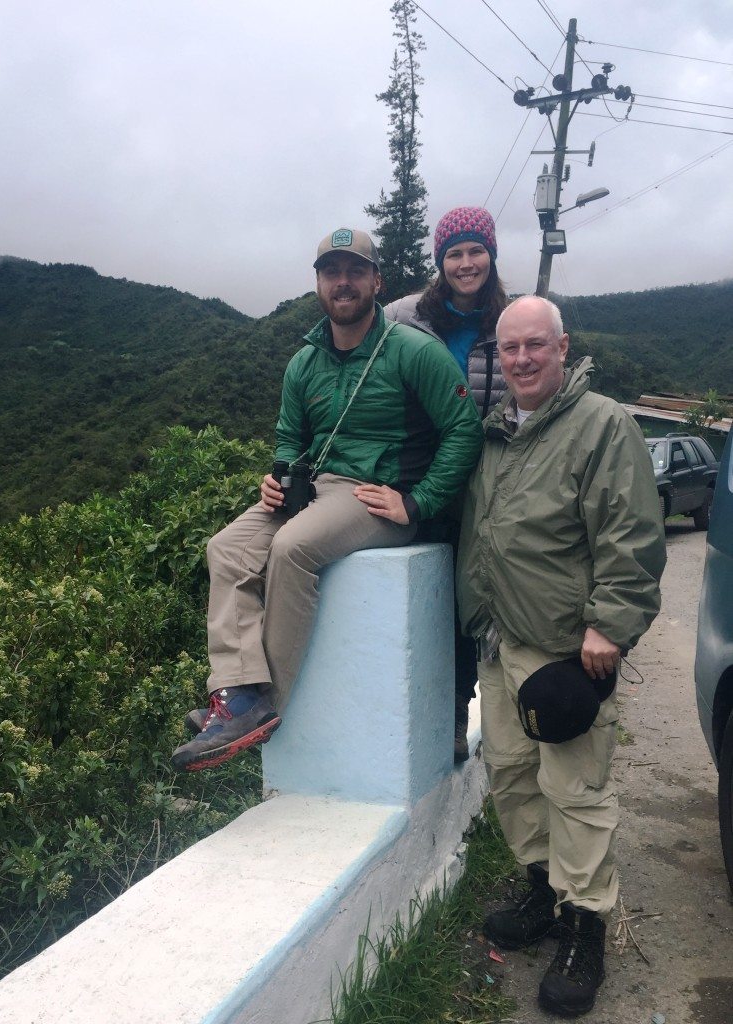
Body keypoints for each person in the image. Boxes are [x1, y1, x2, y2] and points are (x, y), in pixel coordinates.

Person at [171, 227, 484, 773]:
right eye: (331, 272)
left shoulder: (414, 351)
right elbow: (290, 440)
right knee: (226, 547)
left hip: (375, 497)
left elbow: (463, 431)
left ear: (375, 281)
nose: (343, 282)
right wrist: (277, 479)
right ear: (318, 283)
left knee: (292, 548)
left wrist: (419, 502)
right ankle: (236, 691)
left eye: (355, 271)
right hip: (313, 489)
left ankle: (266, 703)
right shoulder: (304, 363)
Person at [456, 295, 666, 1017]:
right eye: (509, 349)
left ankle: (585, 924)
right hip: (499, 638)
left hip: (568, 649)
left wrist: (610, 624)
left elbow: (633, 532)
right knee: (512, 774)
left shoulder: (602, 425)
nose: (521, 359)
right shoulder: (492, 434)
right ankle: (543, 890)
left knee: (574, 789)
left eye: (535, 346)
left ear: (562, 347)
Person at [384, 206, 507, 762]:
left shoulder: (508, 322)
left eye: (475, 251)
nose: (465, 263)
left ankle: (461, 711)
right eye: (453, 253)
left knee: (468, 599)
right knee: (421, 594)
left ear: (492, 255)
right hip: (418, 471)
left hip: (486, 479)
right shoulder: (404, 318)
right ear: (440, 261)